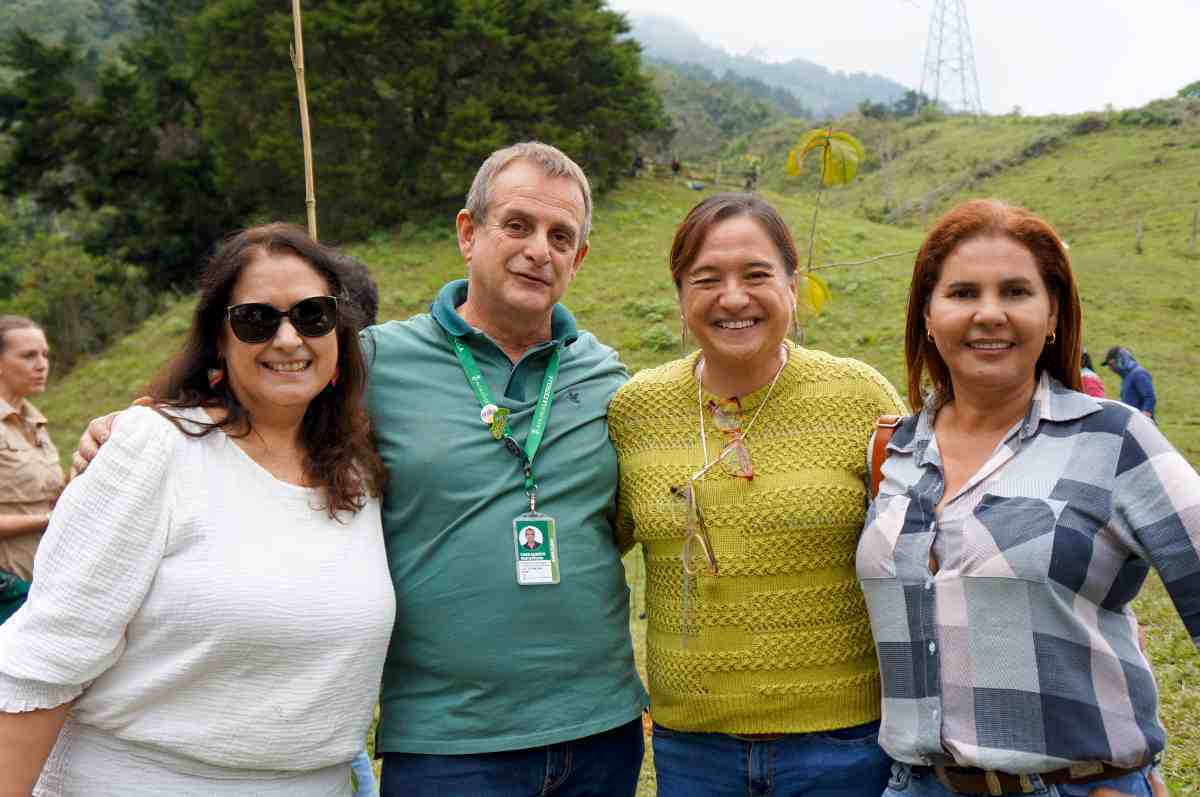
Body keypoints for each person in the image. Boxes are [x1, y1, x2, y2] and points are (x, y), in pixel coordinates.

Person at [71, 143, 650, 796]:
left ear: (579, 258)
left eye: (560, 236)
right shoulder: (370, 361)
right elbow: (257, 399)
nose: (538, 249)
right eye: (517, 225)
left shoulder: (608, 377)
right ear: (468, 232)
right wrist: (142, 424)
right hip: (448, 742)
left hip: (602, 730)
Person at [0, 224, 395, 796]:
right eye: (257, 319)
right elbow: (44, 661)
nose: (289, 339)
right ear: (217, 339)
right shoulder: (154, 447)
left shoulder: (358, 472)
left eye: (313, 315)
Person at [858, 199, 1199, 797]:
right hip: (917, 784)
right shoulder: (895, 450)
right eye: (963, 293)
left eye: (1015, 292)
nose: (989, 313)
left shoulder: (1114, 439)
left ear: (1052, 315)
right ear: (928, 315)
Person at [607, 193, 907, 796]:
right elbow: (597, 546)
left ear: (793, 286)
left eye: (756, 275)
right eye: (706, 279)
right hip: (692, 750)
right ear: (680, 295)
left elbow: (920, 550)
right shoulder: (635, 410)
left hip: (846, 748)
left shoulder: (859, 396)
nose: (733, 298)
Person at [0, 316, 62, 584]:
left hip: (42, 582)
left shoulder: (36, 424)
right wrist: (47, 519)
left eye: (45, 355)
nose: (41, 365)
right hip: (8, 589)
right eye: (28, 356)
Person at [1102, 345, 1156, 420]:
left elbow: (1150, 397)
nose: (1110, 368)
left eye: (1111, 364)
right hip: (1131, 420)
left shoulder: (1139, 373)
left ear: (1121, 360)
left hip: (1139, 422)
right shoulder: (1127, 377)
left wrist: (1144, 417)